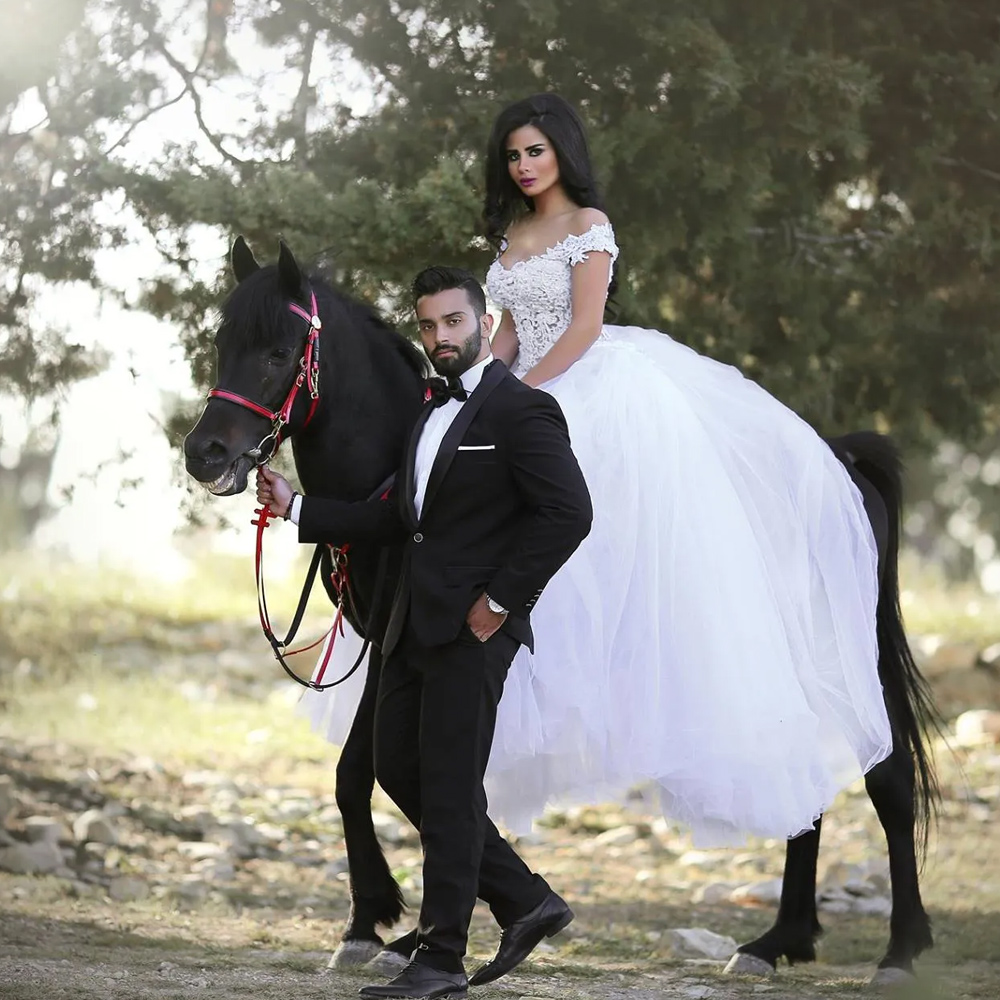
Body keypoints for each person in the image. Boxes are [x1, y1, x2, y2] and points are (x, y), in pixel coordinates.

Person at [303, 93, 893, 848]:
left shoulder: (589, 228)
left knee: (581, 510)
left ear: (562, 154)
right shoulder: (513, 234)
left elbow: (582, 325)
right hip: (521, 377)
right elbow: (508, 330)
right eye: (513, 155)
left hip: (594, 381)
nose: (523, 166)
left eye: (535, 153)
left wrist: (513, 402)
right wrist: (473, 388)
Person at [257, 265, 591, 999]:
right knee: (398, 769)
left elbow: (569, 514)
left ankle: (441, 959)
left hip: (474, 630)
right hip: (411, 624)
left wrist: (501, 602)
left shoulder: (522, 412)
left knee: (445, 783)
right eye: (430, 326)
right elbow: (398, 519)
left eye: (454, 323)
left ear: (481, 320)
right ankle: (525, 898)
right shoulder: (426, 416)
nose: (441, 337)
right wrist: (300, 510)